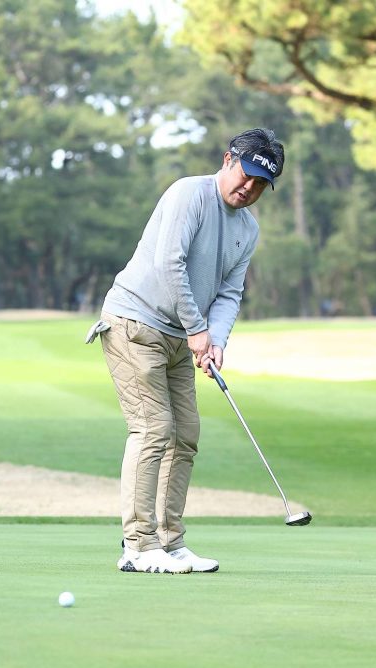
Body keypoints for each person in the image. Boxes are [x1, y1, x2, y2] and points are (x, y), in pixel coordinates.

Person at [87, 128, 285, 574]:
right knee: (153, 429)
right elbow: (168, 263)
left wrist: (216, 340)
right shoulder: (189, 194)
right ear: (228, 159)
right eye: (246, 174)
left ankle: (169, 542)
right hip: (135, 323)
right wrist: (198, 329)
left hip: (180, 335)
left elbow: (230, 292)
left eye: (261, 184)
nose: (249, 188)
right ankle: (138, 546)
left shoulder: (248, 229)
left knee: (185, 434)